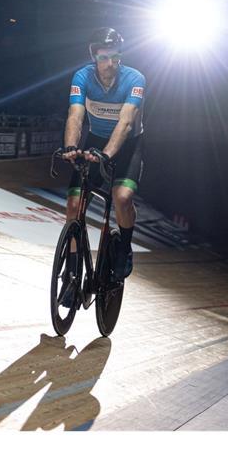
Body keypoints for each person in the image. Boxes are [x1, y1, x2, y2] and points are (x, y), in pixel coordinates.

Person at [60, 27, 146, 287]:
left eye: (115, 57)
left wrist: (108, 154)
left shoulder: (135, 79)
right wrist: (71, 147)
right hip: (96, 141)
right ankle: (72, 271)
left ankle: (124, 247)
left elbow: (127, 122)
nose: (110, 64)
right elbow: (75, 116)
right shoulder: (82, 77)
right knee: (74, 207)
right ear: (93, 57)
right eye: (103, 58)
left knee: (122, 197)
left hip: (128, 145)